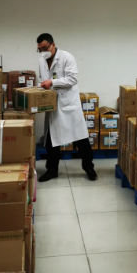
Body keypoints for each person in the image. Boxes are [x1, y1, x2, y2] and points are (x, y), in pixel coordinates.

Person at [36, 33, 97, 183]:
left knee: (81, 139)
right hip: (53, 106)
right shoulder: (41, 61)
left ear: (53, 45)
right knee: (51, 140)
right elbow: (43, 80)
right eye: (39, 49)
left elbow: (72, 79)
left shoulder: (67, 57)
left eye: (44, 48)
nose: (42, 51)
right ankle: (52, 170)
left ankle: (89, 168)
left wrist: (52, 82)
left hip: (69, 106)